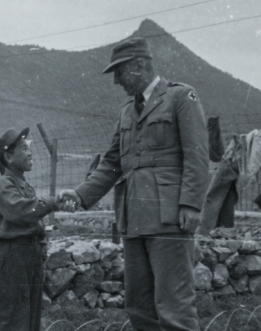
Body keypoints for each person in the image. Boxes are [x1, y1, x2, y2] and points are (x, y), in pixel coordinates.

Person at [59, 37, 209, 331]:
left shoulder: (181, 97)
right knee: (138, 306)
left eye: (120, 71)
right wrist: (79, 195)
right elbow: (112, 163)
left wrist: (191, 204)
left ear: (140, 65)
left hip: (169, 220)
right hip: (133, 220)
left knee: (175, 306)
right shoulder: (127, 112)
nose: (116, 80)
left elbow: (197, 155)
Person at [0, 127, 75, 331]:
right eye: (24, 148)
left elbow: (34, 218)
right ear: (8, 156)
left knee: (29, 318)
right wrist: (52, 202)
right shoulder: (4, 185)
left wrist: (58, 204)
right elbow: (20, 212)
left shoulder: (24, 187)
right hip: (12, 258)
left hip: (29, 258)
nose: (30, 152)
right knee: (10, 318)